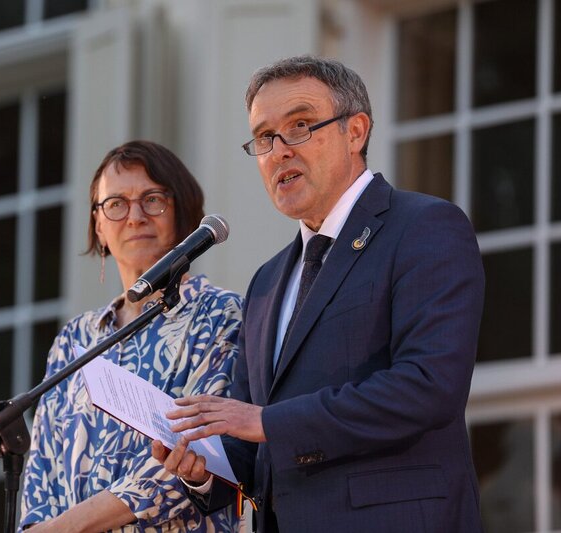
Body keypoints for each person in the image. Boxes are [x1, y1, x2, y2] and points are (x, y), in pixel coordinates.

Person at [151, 56, 486, 532]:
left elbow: (428, 386)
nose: (279, 151)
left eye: (300, 126)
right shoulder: (266, 282)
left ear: (356, 132)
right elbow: (253, 450)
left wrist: (267, 423)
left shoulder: (424, 227)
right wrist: (203, 470)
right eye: (264, 137)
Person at [20, 140, 243, 532]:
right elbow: (42, 469)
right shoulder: (74, 340)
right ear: (98, 225)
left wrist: (66, 528)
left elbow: (194, 453)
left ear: (182, 212)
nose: (135, 217)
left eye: (152, 200)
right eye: (116, 204)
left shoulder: (221, 314)